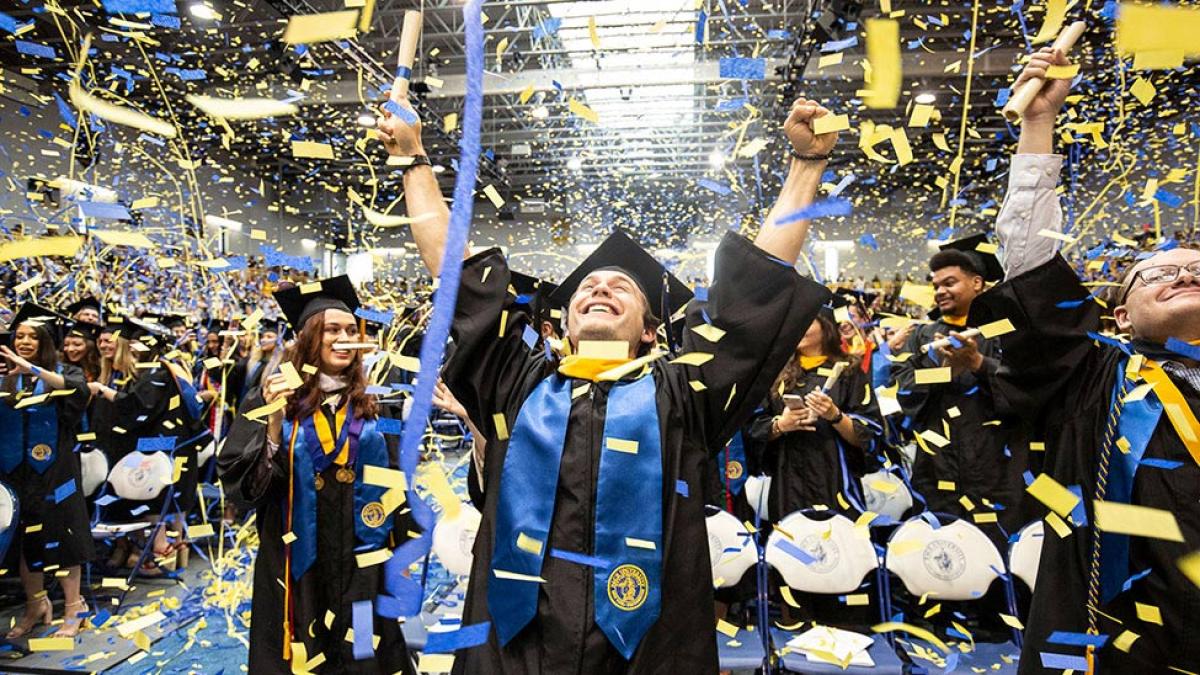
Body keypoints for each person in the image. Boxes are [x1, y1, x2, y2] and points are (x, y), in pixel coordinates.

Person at [378, 93, 835, 672]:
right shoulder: (519, 383)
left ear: (650, 331)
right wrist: (414, 158)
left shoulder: (683, 395)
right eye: (586, 289)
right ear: (564, 325)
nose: (598, 289)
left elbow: (754, 290)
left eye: (622, 288)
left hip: (646, 650)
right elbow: (457, 276)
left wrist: (806, 168)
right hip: (518, 648)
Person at [973, 46, 1200, 674]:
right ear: (1120, 315)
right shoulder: (1093, 372)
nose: (1183, 272)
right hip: (1122, 639)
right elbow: (1033, 271)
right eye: (1158, 272)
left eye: (1197, 271)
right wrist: (1038, 126)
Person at [218, 276, 420, 675]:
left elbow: (396, 479)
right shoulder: (268, 399)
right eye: (332, 329)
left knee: (363, 650)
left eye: (350, 330)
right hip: (297, 564)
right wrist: (274, 423)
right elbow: (246, 490)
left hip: (363, 563)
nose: (344, 338)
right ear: (310, 339)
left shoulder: (377, 405)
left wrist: (403, 551)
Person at [890, 235, 1029, 542]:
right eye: (936, 285)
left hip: (997, 462)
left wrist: (979, 364)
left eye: (949, 283)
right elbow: (904, 387)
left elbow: (1026, 384)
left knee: (997, 549)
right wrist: (941, 373)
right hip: (938, 466)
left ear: (977, 283)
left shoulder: (1003, 329)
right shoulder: (923, 336)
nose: (940, 291)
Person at [0, 304, 94, 639]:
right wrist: (11, 378)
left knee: (62, 537)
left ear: (45, 341)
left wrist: (30, 369)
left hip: (56, 470)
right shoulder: (5, 374)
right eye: (19, 335)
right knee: (28, 540)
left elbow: (77, 393)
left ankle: (74, 606)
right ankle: (36, 604)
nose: (24, 341)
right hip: (14, 471)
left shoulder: (65, 372)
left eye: (31, 336)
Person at [87, 318, 208, 574]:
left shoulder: (158, 372)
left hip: (162, 446)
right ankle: (172, 552)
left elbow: (137, 406)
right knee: (167, 502)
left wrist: (102, 391)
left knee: (157, 498)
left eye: (137, 343)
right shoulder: (168, 369)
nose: (133, 347)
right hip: (170, 444)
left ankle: (162, 552)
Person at [748, 310, 882, 520]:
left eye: (806, 321)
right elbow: (753, 429)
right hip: (788, 483)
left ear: (826, 326)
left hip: (836, 479)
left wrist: (835, 416)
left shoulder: (849, 370)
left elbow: (870, 434)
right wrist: (781, 425)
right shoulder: (775, 371)